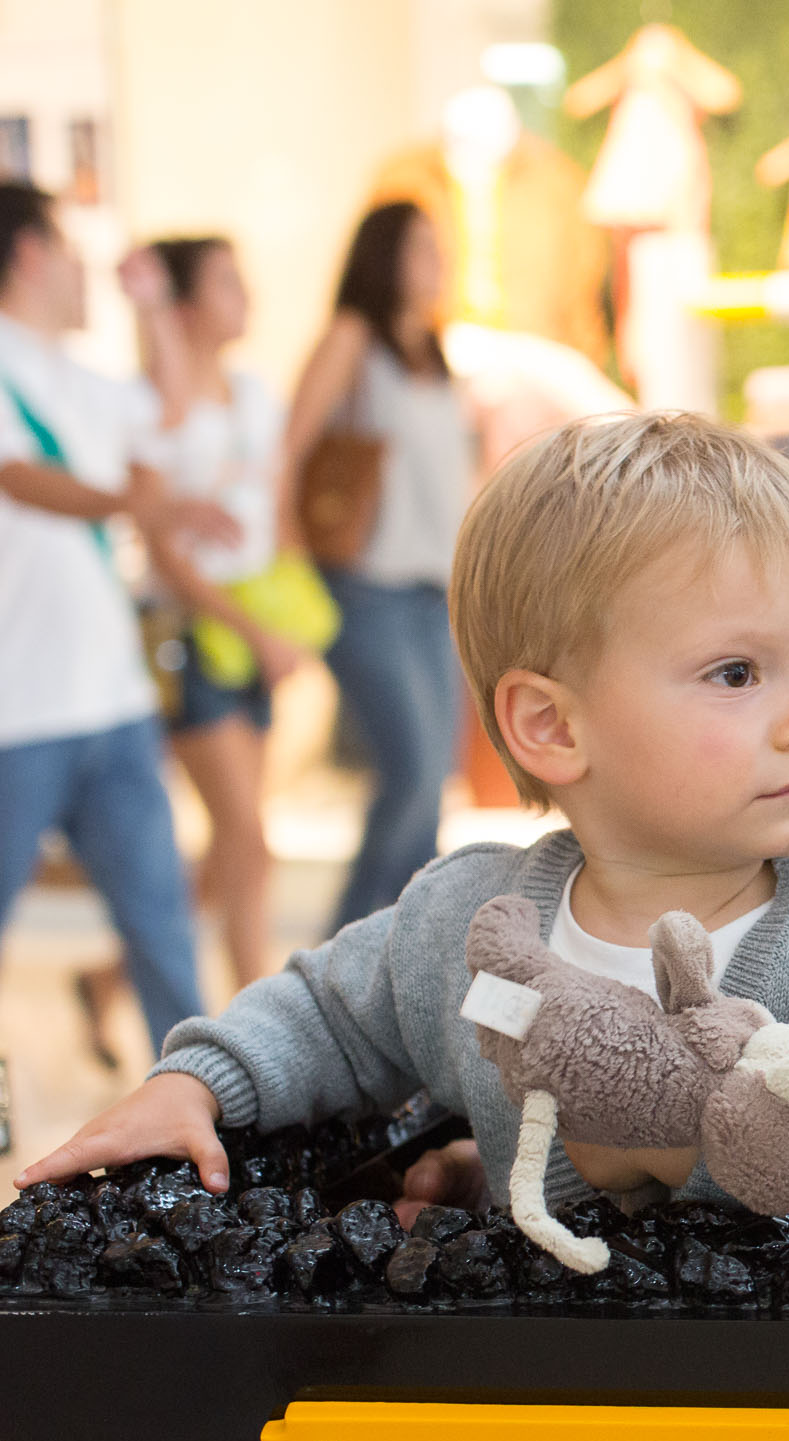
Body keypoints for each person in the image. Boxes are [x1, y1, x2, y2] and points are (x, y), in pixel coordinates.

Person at [19, 412, 789, 1234]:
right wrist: (195, 1085)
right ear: (551, 726)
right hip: (527, 1400)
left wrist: (687, 1141)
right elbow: (327, 1014)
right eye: (736, 673)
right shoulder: (470, 924)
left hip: (786, 1400)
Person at [0, 184, 233, 1055]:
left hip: (113, 702)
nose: (81, 271)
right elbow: (19, 477)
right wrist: (136, 505)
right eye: (68, 250)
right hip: (18, 710)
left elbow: (168, 408)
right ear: (30, 252)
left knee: (160, 921)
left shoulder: (74, 375)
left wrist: (153, 307)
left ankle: (200, 1102)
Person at [74, 237, 300, 1056]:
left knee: (237, 847)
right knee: (249, 839)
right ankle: (260, 1037)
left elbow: (272, 512)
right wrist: (251, 627)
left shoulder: (255, 393)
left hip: (255, 625)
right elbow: (163, 546)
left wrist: (284, 617)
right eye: (226, 282)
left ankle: (107, 979)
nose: (246, 295)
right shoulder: (151, 405)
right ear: (185, 303)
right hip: (191, 633)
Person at [280, 200, 472, 933]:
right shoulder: (351, 339)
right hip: (365, 590)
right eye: (421, 247)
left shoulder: (433, 351)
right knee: (411, 776)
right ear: (383, 255)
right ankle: (342, 959)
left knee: (432, 785)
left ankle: (403, 953)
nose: (438, 261)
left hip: (433, 594)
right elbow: (289, 451)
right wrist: (291, 566)